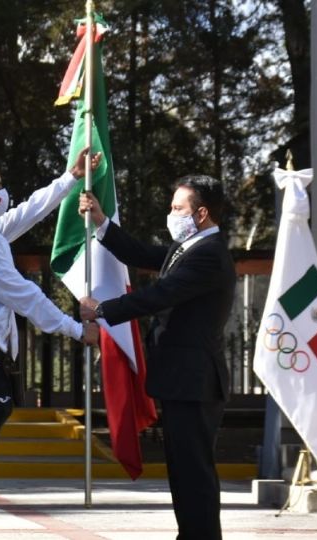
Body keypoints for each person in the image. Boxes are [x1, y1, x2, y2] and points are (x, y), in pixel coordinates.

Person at [0, 149, 101, 540]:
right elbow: (23, 296)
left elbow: (27, 212)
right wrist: (76, 329)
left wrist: (71, 178)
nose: (2, 192)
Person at [78, 175, 235, 540]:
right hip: (181, 381)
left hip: (195, 381)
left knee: (194, 474)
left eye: (178, 208)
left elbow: (161, 294)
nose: (171, 214)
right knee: (182, 471)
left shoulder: (209, 255)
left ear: (202, 214)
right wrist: (102, 222)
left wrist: (103, 310)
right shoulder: (189, 248)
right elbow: (142, 254)